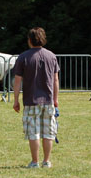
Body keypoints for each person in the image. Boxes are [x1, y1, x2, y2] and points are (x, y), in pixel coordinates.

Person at [12, 27, 60, 168]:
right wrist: (56, 99)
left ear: (30, 40)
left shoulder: (24, 57)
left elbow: (17, 81)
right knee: (48, 132)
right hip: (48, 100)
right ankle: (46, 161)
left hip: (31, 101)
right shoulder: (51, 56)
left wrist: (15, 100)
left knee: (33, 132)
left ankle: (34, 161)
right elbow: (55, 80)